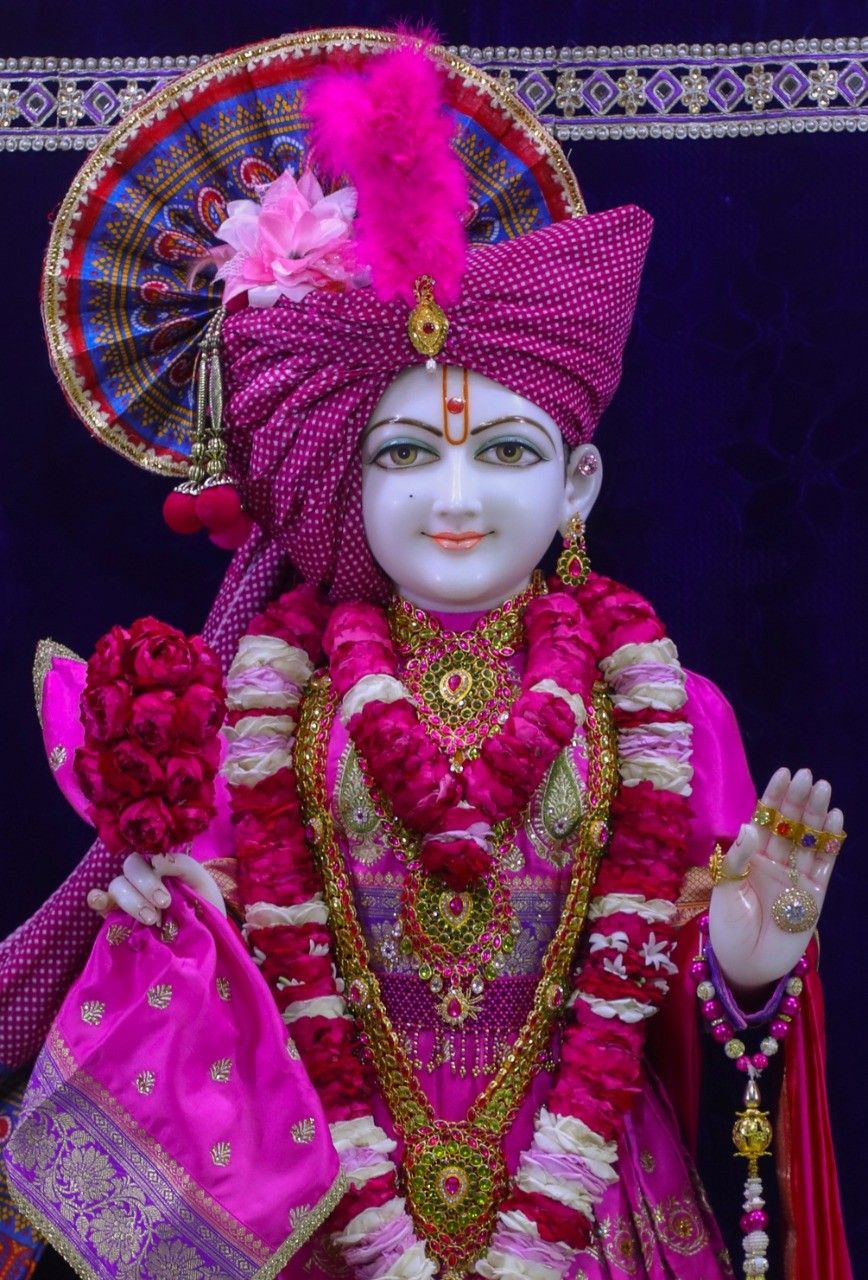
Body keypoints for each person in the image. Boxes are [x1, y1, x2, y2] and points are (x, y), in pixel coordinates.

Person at [0, 28, 852, 1280]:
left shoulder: (668, 710)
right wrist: (162, 920)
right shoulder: (265, 706)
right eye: (405, 454)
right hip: (334, 1211)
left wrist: (743, 966)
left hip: (590, 1209)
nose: (455, 494)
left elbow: (670, 999)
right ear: (345, 488)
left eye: (503, 452)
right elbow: (231, 978)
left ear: (580, 483)